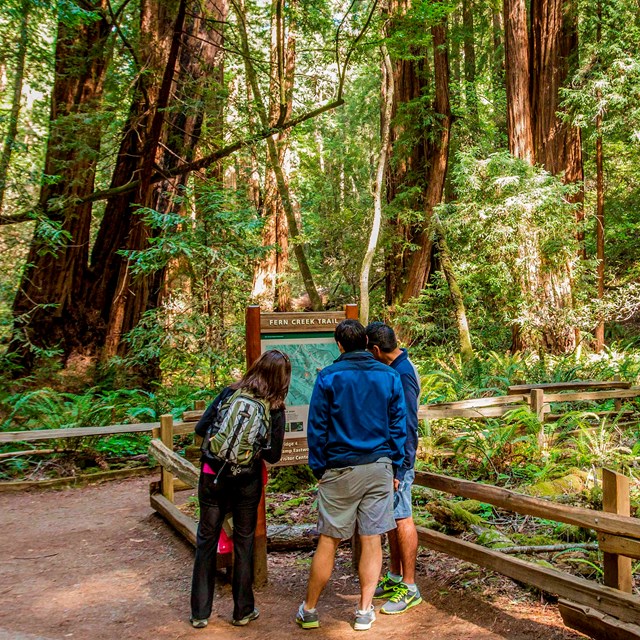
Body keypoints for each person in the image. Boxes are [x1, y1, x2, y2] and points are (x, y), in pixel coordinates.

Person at [296, 319, 407, 631]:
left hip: (340, 467)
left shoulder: (329, 376)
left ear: (340, 345)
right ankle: (363, 610)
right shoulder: (389, 376)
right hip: (379, 466)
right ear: (366, 343)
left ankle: (310, 609)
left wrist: (319, 466)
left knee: (329, 540)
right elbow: (398, 425)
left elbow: (317, 426)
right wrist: (395, 465)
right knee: (372, 539)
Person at [190, 349, 291, 629]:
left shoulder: (229, 394)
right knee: (244, 542)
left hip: (212, 477)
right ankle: (242, 610)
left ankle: (200, 613)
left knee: (206, 540)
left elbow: (201, 428)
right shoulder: (275, 407)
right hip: (246, 482)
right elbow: (273, 456)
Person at [366, 321, 422, 615]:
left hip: (401, 461)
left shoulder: (402, 374)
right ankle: (396, 576)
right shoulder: (395, 369)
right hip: (392, 458)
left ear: (376, 349)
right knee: (393, 517)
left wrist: (402, 469)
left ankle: (410, 587)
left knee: (403, 518)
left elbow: (409, 424)